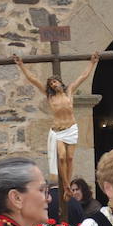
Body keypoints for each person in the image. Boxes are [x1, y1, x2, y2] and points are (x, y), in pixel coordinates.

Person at [13, 52, 100, 191]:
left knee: (70, 158)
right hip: (58, 130)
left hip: (71, 128)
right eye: (51, 83)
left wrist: (92, 63)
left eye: (54, 81)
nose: (53, 84)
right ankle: (66, 185)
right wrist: (21, 65)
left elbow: (83, 77)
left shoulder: (69, 91)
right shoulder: (50, 96)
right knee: (61, 157)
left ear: (59, 82)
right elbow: (33, 79)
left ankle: (67, 184)